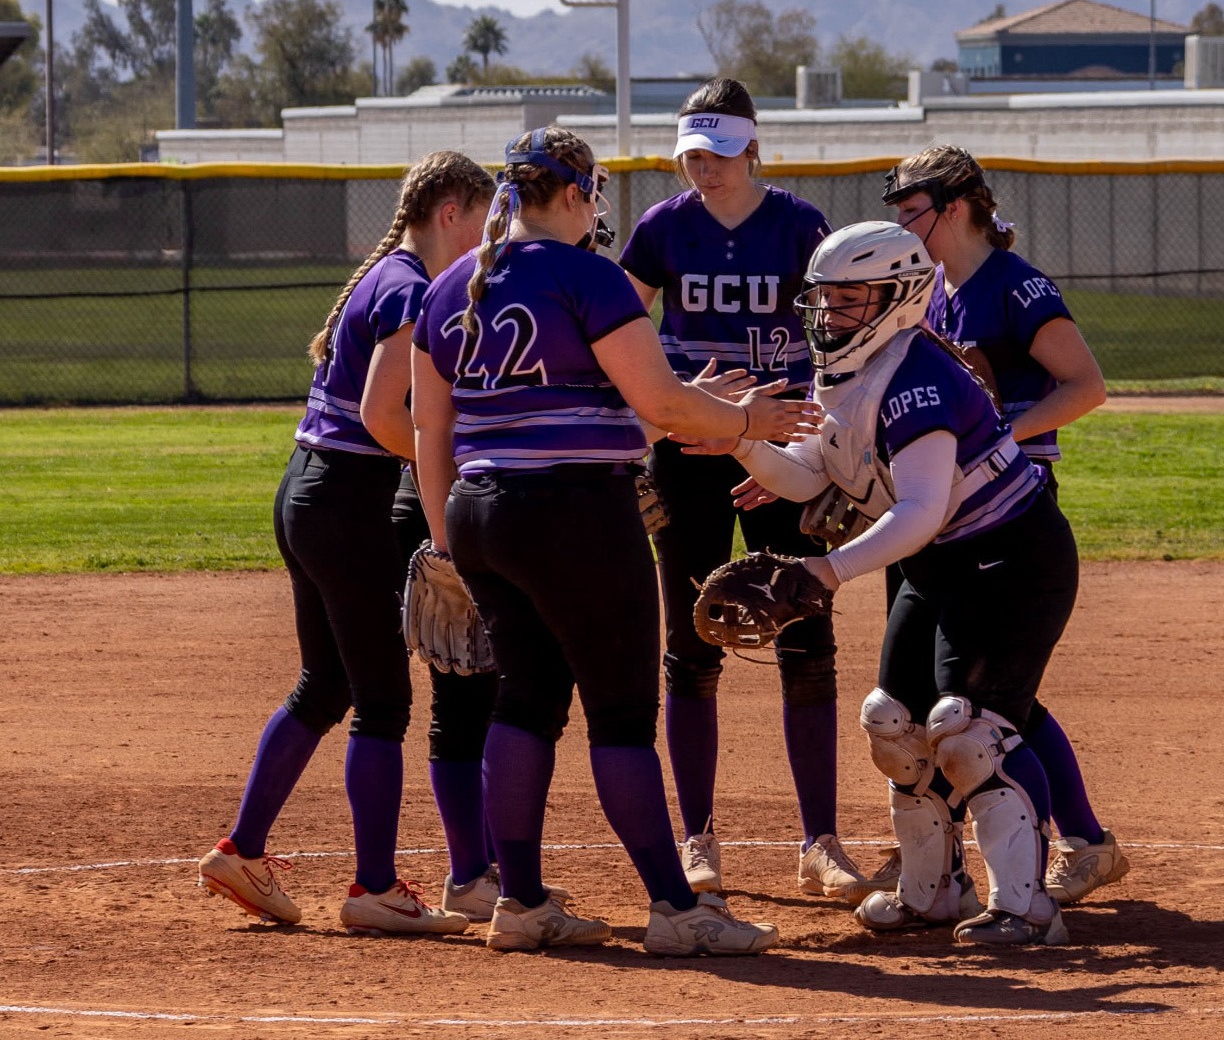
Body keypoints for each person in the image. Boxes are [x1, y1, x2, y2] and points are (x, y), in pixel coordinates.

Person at [410, 125, 813, 956]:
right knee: (623, 714)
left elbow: (432, 429)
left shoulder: (450, 285)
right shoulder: (586, 274)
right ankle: (676, 908)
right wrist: (748, 421)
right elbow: (662, 408)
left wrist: (445, 537)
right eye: (592, 194)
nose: (596, 209)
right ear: (571, 195)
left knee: (525, 700)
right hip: (576, 515)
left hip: (482, 512)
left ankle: (519, 900)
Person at [678, 220, 1080, 946]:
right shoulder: (847, 370)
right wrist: (740, 441)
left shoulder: (916, 373)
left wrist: (824, 571)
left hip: (1010, 561)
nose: (830, 316)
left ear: (899, 298)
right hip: (945, 564)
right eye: (824, 300)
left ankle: (1025, 907)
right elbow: (806, 474)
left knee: (966, 731)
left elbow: (921, 507)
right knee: (891, 721)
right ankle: (933, 892)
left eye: (850, 300)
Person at [197, 150, 496, 936]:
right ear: (450, 211)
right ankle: (373, 886)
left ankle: (243, 848)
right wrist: (449, 462)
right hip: (344, 501)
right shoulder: (407, 286)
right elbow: (380, 412)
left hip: (307, 492)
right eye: (482, 218)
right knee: (383, 698)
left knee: (326, 683)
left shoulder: (385, 275)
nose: (485, 238)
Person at [618, 77, 871, 902]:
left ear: (753, 148)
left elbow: (843, 339)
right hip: (690, 451)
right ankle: (697, 838)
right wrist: (652, 427)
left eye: (720, 153)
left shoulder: (800, 226)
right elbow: (617, 339)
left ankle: (819, 841)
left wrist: (827, 453)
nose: (705, 169)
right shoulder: (662, 228)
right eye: (693, 153)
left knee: (805, 637)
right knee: (691, 645)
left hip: (789, 442)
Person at [881, 146, 1127, 906]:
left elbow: (1086, 385)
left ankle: (1072, 843)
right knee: (955, 693)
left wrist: (998, 434)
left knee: (985, 698)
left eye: (910, 209)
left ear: (953, 207)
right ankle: (967, 849)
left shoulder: (1014, 287)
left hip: (1007, 515)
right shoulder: (930, 292)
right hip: (938, 513)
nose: (900, 222)